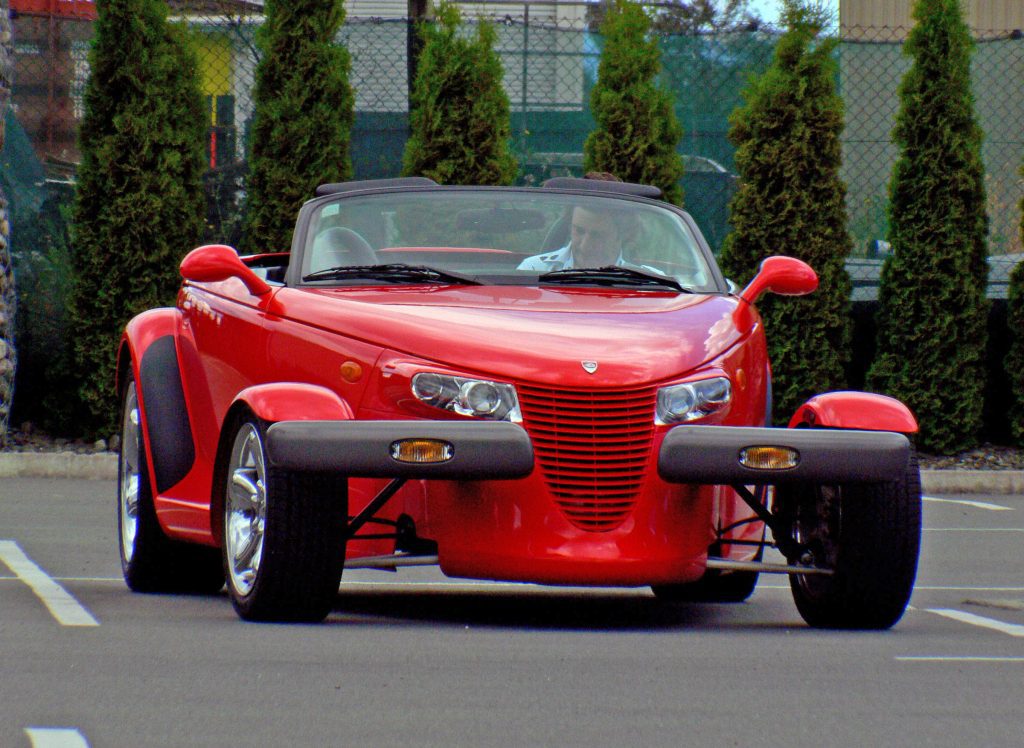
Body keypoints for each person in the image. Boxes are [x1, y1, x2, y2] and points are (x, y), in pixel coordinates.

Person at [518, 204, 626, 270]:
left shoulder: (641, 281)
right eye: (579, 231)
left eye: (597, 235)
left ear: (620, 235)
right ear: (569, 227)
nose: (585, 246)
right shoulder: (533, 269)